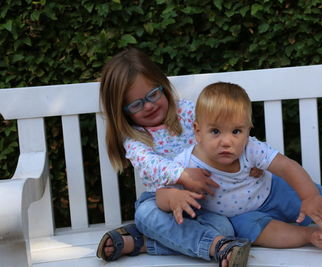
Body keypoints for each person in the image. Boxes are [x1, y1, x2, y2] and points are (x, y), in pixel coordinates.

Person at [157, 82, 322, 250]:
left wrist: (309, 197)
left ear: (248, 130)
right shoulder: (186, 163)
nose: (226, 141)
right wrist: (172, 198)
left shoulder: (250, 148)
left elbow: (287, 167)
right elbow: (161, 194)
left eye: (236, 131)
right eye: (215, 131)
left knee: (313, 193)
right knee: (255, 232)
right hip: (239, 216)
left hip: (271, 192)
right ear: (198, 131)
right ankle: (306, 235)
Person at [96, 48, 252, 267]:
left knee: (226, 227)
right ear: (122, 111)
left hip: (202, 202)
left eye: (153, 94)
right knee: (145, 215)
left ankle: (141, 242)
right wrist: (182, 175)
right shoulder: (134, 138)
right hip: (161, 202)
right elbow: (151, 165)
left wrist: (248, 161)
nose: (149, 105)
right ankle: (218, 247)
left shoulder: (188, 113)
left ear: (163, 85)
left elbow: (222, 131)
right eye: (136, 104)